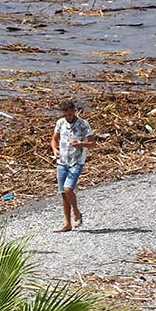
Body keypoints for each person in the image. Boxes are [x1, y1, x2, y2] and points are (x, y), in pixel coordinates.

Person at [51, 99, 96, 232]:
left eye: (70, 114)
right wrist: (55, 150)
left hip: (76, 161)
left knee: (68, 188)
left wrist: (80, 144)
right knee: (63, 194)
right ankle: (67, 223)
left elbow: (93, 143)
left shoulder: (83, 124)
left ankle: (76, 212)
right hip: (62, 161)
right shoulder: (60, 123)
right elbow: (54, 139)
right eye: (65, 115)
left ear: (74, 111)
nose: (68, 117)